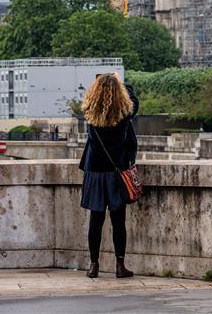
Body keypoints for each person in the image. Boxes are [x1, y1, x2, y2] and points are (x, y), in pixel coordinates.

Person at [77, 73, 139, 279]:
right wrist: (122, 83)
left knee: (96, 220)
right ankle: (120, 265)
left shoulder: (90, 114)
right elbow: (134, 103)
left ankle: (93, 265)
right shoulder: (123, 116)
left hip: (95, 172)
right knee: (118, 221)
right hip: (116, 173)